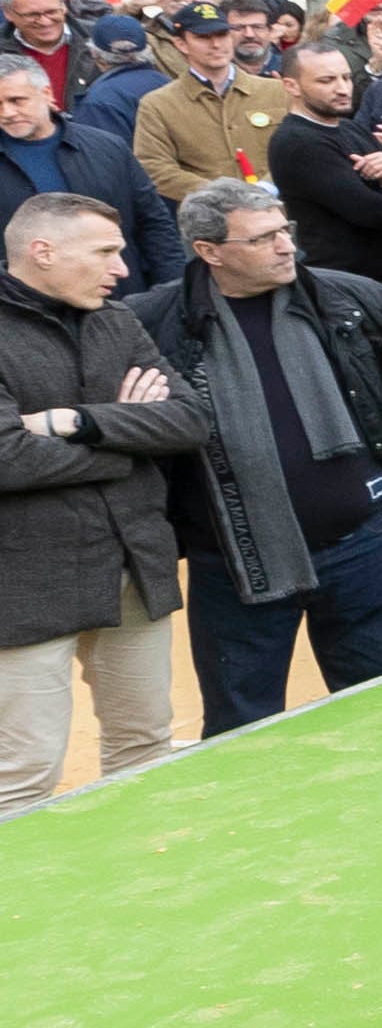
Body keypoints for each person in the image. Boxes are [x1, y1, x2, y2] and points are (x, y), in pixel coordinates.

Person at [120, 180, 382, 736]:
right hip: (233, 562)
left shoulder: (346, 296)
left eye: (285, 230)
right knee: (243, 727)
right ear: (209, 251)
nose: (286, 246)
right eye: (263, 239)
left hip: (363, 544)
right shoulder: (150, 321)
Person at [0, 192, 207, 815]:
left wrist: (74, 422)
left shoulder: (116, 319)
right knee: (25, 771)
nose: (122, 268)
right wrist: (126, 446)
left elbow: (190, 419)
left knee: (144, 745)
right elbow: (6, 456)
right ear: (43, 252)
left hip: (135, 564)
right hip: (26, 584)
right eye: (106, 252)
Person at [0, 57, 180, 290]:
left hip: (118, 296)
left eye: (17, 100)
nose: (7, 112)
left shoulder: (107, 148)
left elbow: (154, 224)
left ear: (46, 93)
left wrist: (174, 291)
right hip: (26, 306)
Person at [262, 45, 382, 288]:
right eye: (327, 81)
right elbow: (371, 212)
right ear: (291, 86)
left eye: (346, 78)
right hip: (345, 282)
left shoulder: (348, 127)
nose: (342, 89)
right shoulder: (298, 141)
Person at [129, 0, 292, 205]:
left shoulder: (276, 91)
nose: (216, 44)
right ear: (181, 44)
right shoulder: (158, 105)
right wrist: (222, 194)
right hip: (210, 223)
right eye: (202, 37)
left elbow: (299, 149)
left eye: (222, 34)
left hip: (277, 216)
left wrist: (268, 186)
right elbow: (153, 167)